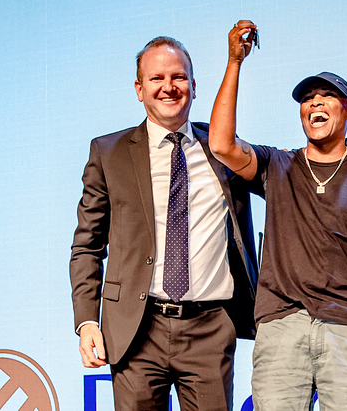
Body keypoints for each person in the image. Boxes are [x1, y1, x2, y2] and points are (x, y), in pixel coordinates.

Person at [68, 36, 261, 411]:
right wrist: (87, 321)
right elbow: (86, 246)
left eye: (179, 77)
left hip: (209, 328)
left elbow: (287, 172)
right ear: (140, 89)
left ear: (193, 86)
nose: (169, 87)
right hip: (136, 329)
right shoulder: (108, 153)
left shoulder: (224, 148)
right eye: (157, 79)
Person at [209, 20, 347, 411]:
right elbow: (221, 143)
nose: (315, 104)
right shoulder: (278, 165)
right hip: (282, 325)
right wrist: (235, 61)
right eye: (308, 99)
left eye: (328, 96)